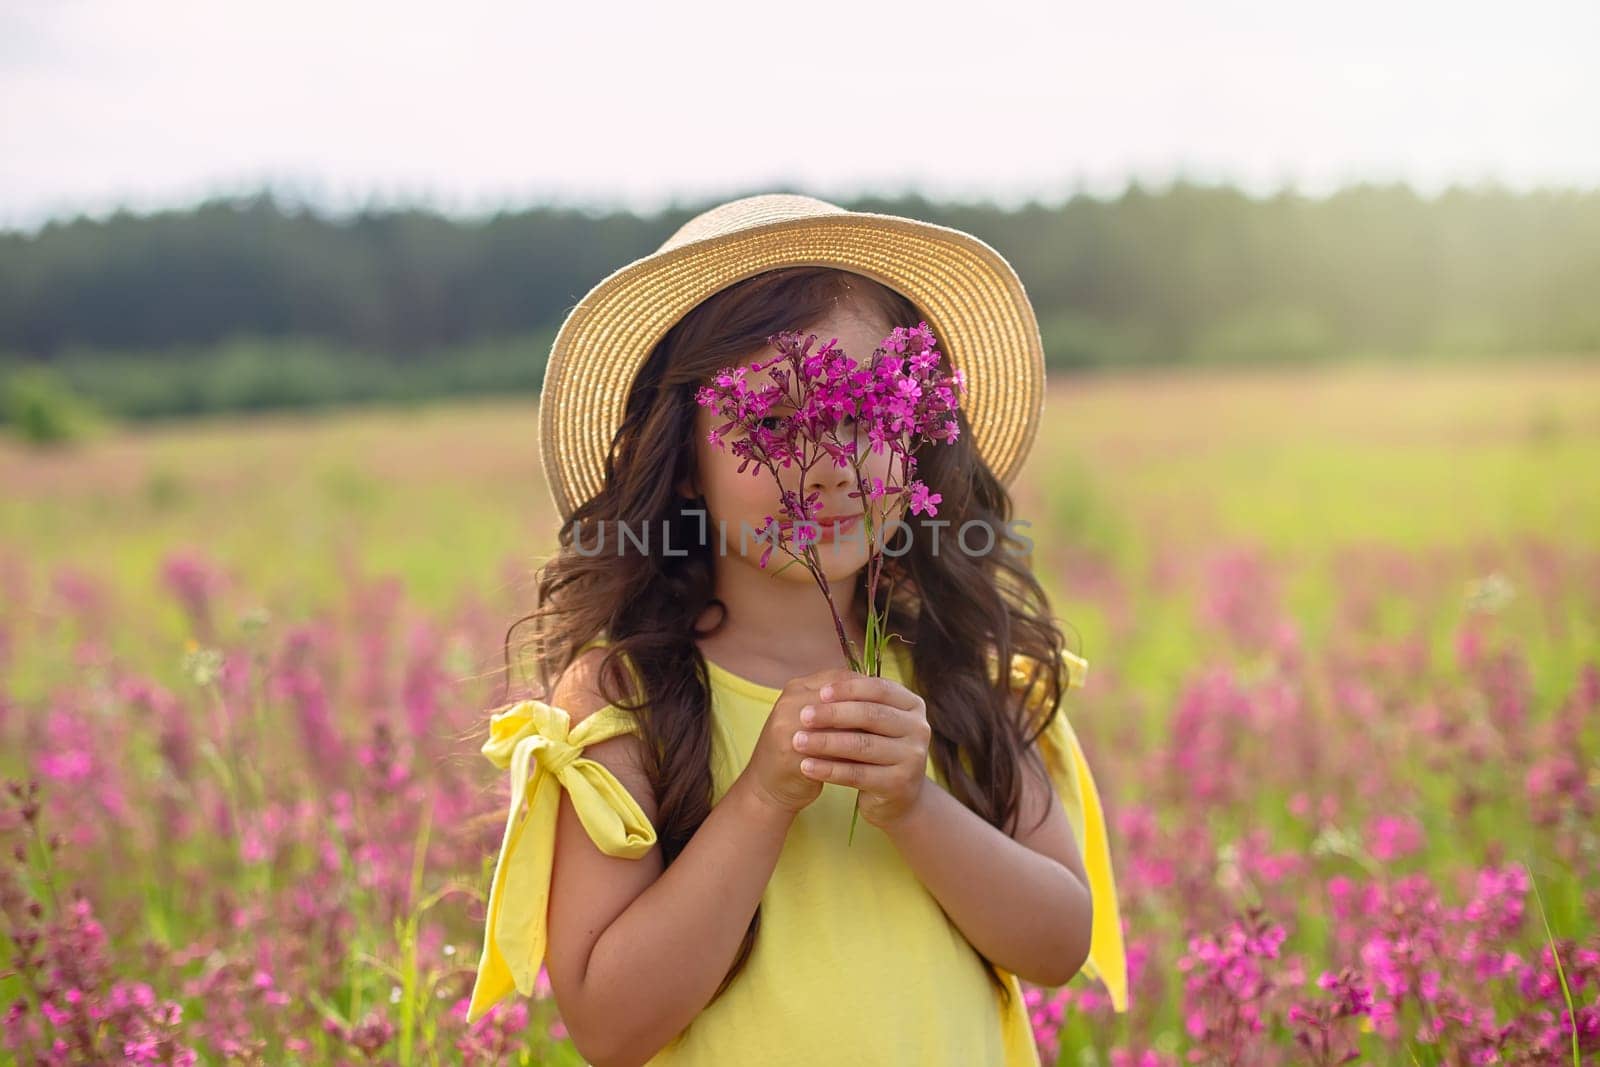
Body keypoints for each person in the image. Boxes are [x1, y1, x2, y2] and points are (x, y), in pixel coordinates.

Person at [465, 193, 1127, 1066]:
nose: (829, 464)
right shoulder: (632, 694)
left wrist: (915, 804)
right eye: (774, 425)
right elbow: (608, 1025)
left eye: (867, 414)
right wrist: (766, 795)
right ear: (685, 464)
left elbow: (1055, 944)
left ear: (918, 435)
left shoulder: (963, 671)